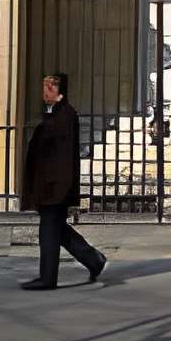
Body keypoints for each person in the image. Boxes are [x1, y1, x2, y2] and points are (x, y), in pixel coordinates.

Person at [19, 71, 107, 290]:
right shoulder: (54, 112)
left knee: (49, 231)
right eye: (44, 86)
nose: (44, 92)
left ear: (60, 91)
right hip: (48, 184)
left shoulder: (66, 115)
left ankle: (48, 278)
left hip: (55, 186)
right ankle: (93, 260)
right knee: (56, 229)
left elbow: (62, 156)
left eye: (49, 87)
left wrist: (59, 187)